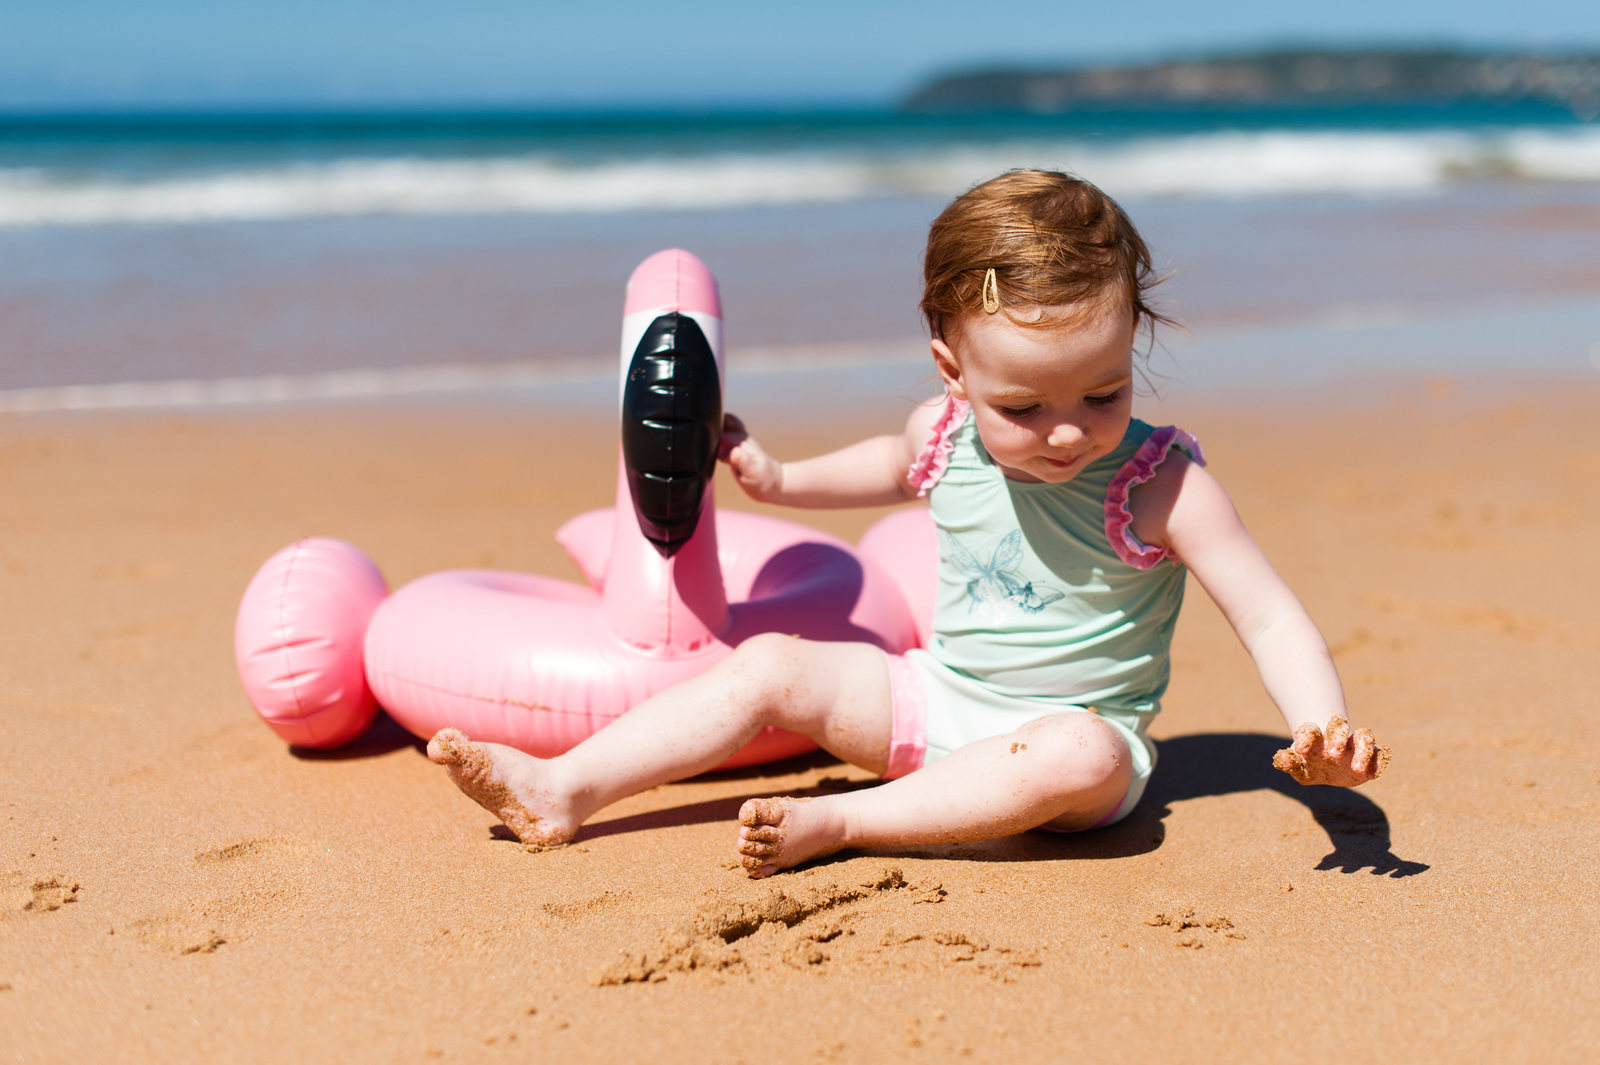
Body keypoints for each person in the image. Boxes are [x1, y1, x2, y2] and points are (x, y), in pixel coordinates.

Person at [427, 169, 1388, 877]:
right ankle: (566, 787)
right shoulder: (945, 435)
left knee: (1082, 751)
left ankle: (848, 824)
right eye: (1021, 405)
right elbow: (884, 466)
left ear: (1131, 343)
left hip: (1070, 755)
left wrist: (1321, 725)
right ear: (952, 372)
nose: (1064, 430)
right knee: (772, 663)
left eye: (1102, 392)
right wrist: (775, 476)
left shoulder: (1158, 483)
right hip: (936, 700)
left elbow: (1267, 615)